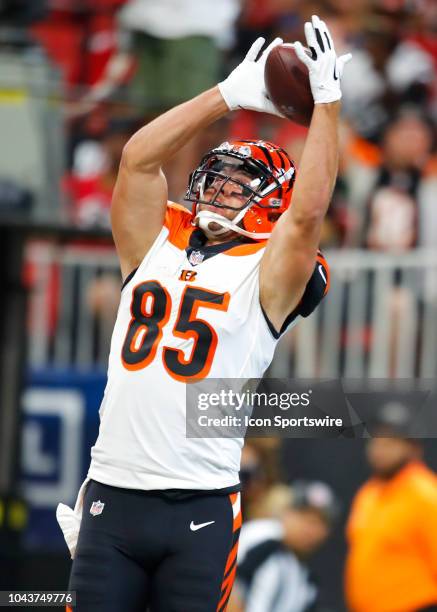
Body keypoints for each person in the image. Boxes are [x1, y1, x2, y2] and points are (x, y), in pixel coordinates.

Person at [57, 15, 351, 611]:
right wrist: (226, 94)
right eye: (216, 176)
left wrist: (326, 106)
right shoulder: (156, 244)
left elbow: (310, 211)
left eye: (238, 183)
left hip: (200, 504)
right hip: (114, 494)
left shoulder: (269, 272)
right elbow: (139, 161)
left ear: (271, 203)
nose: (216, 188)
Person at [345, 403, 437, 612]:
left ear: (413, 449)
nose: (380, 449)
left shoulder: (426, 495)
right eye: (376, 441)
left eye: (390, 442)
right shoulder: (368, 493)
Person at [228, 481, 339, 612]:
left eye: (319, 523)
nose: (310, 529)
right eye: (304, 516)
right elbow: (227, 586)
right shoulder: (263, 536)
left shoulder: (303, 574)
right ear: (287, 513)